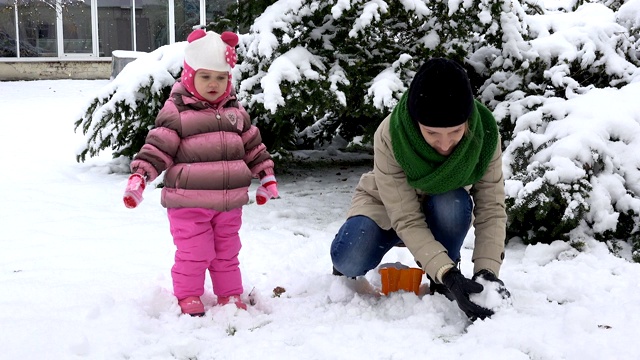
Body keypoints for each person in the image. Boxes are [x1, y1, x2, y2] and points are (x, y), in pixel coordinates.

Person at [330, 58, 509, 321]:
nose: (445, 144)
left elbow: (492, 207)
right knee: (350, 258)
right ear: (416, 123)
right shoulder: (391, 134)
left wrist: (487, 272)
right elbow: (406, 216)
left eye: (455, 131)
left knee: (453, 201)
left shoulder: (485, 136)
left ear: (467, 122)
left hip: (441, 207)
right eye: (432, 133)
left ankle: (442, 274)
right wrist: (447, 273)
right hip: (386, 207)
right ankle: (443, 271)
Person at [122, 29, 279, 316]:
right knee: (195, 253)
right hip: (188, 202)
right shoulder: (177, 111)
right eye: (205, 76)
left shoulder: (236, 112)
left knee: (227, 254)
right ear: (189, 75)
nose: (213, 84)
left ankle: (229, 294)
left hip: (230, 203)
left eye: (220, 78)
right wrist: (140, 176)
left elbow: (254, 147)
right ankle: (188, 295)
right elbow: (158, 148)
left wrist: (266, 175)